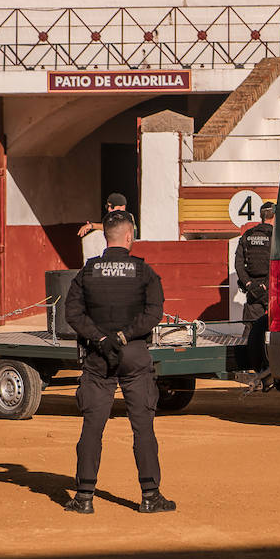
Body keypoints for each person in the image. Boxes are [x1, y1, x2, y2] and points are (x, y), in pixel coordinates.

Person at [62, 210, 175, 515]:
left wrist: (100, 338)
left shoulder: (89, 271)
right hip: (134, 355)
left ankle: (84, 497)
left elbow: (72, 313)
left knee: (92, 427)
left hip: (99, 356)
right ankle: (150, 496)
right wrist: (124, 336)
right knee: (143, 428)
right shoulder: (143, 271)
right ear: (128, 237)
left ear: (105, 236)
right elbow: (154, 313)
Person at [235, 200, 275, 371]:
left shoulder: (247, 235)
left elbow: (238, 263)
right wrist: (266, 285)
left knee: (251, 327)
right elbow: (278, 263)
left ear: (261, 216)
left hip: (252, 288)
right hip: (270, 287)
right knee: (276, 326)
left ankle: (244, 364)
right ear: (274, 216)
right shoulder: (276, 236)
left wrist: (249, 283)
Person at [78, 193, 131, 261]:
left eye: (112, 207)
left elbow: (114, 227)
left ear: (122, 207)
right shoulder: (109, 218)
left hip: (120, 249)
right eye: (107, 206)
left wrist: (92, 226)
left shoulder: (127, 217)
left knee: (99, 235)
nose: (109, 209)